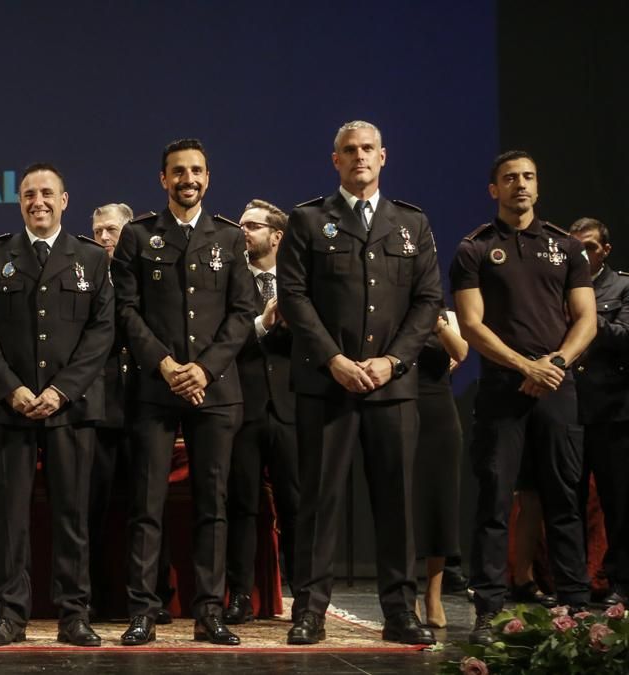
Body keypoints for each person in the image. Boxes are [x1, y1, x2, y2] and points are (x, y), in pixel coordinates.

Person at [277, 120, 441, 646]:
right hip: (327, 385)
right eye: (349, 150)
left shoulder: (410, 224)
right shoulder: (308, 220)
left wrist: (393, 362)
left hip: (391, 386)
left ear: (383, 157)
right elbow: (294, 297)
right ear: (335, 160)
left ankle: (400, 611)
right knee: (319, 502)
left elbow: (427, 301)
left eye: (368, 149)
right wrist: (334, 360)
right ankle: (310, 611)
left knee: (396, 502)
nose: (359, 157)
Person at [112, 139, 256, 647]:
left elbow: (243, 312)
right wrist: (168, 365)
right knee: (146, 504)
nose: (187, 179)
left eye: (196, 171)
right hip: (154, 387)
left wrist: (205, 369)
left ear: (208, 178)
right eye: (178, 171)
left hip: (215, 391)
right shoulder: (137, 236)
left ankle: (209, 612)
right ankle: (144, 611)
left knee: (212, 506)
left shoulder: (230, 237)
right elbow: (126, 311)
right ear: (163, 179)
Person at [450, 150, 596, 645]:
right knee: (493, 501)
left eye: (529, 177)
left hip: (557, 388)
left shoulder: (568, 247)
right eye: (510, 178)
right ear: (494, 189)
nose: (521, 185)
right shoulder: (473, 249)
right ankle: (488, 610)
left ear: (538, 185)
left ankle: (576, 609)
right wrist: (523, 366)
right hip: (500, 391)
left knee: (564, 498)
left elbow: (586, 320)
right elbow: (471, 324)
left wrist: (553, 365)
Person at [0, 163, 114, 647]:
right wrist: (12, 388)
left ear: (64, 200)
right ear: (20, 201)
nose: (38, 202)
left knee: (72, 516)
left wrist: (61, 390)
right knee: (10, 519)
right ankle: (11, 615)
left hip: (70, 409)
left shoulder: (90, 258)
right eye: (29, 194)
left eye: (47, 194)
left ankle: (74, 614)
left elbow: (100, 333)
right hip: (9, 409)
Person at [87, 203, 176, 624]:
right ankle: (94, 595)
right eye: (99, 231)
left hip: (144, 403)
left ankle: (153, 596)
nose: (106, 238)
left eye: (114, 230)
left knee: (148, 506)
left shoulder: (147, 273)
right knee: (95, 510)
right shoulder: (84, 274)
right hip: (100, 409)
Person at [224, 199, 298, 624]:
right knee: (242, 507)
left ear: (276, 236)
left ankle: (303, 595)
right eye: (240, 225)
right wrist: (262, 325)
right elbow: (222, 342)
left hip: (289, 408)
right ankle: (239, 596)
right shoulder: (232, 283)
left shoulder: (298, 283)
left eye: (251, 225)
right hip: (244, 407)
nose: (243, 232)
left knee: (296, 506)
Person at [569, 217, 629, 608]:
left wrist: (588, 318)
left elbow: (625, 336)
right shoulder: (559, 284)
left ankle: (621, 582)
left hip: (612, 411)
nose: (582, 254)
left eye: (589, 247)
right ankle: (571, 584)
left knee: (618, 503)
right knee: (566, 503)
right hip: (569, 408)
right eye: (576, 248)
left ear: (604, 250)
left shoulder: (622, 285)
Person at [412, 308, 468, 628]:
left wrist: (438, 324)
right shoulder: (393, 307)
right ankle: (406, 593)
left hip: (440, 412)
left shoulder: (443, 314)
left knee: (440, 503)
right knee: (405, 504)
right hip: (403, 406)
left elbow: (460, 352)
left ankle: (433, 595)